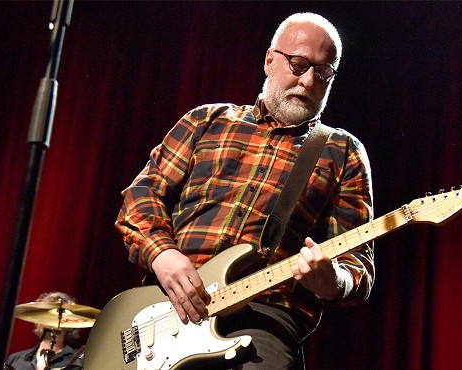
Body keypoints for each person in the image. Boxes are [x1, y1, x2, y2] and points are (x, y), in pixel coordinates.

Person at [116, 12, 374, 370]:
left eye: (323, 73)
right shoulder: (206, 120)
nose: (309, 80)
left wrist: (330, 280)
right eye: (298, 64)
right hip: (164, 310)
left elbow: (357, 266)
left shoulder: (342, 152)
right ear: (270, 60)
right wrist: (163, 255)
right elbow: (141, 197)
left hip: (264, 317)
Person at [4, 292, 80, 370]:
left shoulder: (77, 362)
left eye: (58, 315)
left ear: (70, 324)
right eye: (48, 314)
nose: (51, 319)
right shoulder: (15, 359)